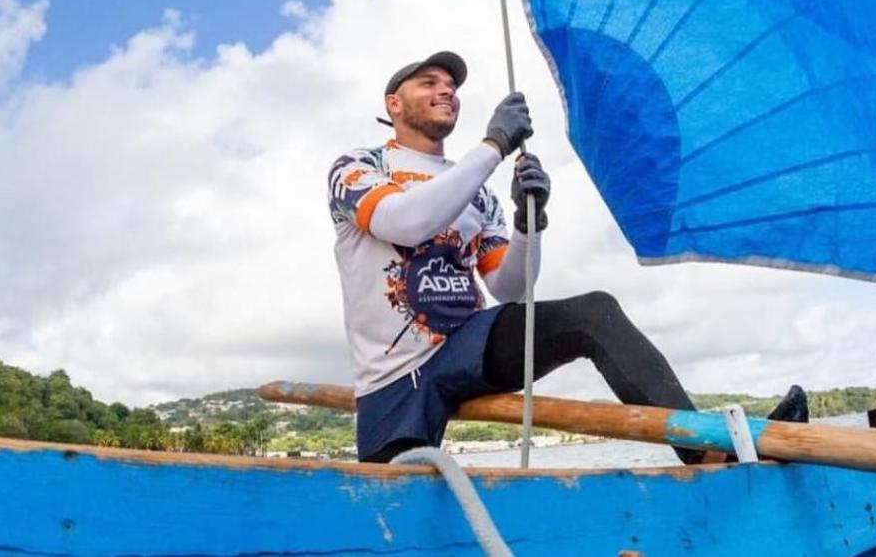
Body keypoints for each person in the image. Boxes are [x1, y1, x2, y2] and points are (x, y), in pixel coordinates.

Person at [327, 51, 807, 464]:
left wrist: (526, 222)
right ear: (394, 103)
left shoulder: (477, 194)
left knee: (593, 313)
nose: (446, 91)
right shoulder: (358, 167)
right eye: (429, 83)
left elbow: (510, 288)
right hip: (393, 375)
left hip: (466, 346)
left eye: (451, 86)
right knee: (396, 515)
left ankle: (708, 448)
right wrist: (494, 146)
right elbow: (405, 221)